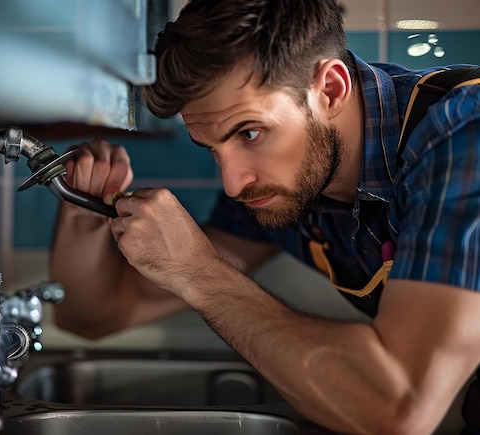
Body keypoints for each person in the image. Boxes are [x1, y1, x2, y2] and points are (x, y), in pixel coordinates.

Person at [49, 0, 480, 433]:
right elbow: (93, 318)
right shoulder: (289, 183)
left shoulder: (462, 132)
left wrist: (200, 274)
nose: (233, 183)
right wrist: (83, 207)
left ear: (330, 89)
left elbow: (399, 409)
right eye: (212, 149)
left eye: (250, 133)